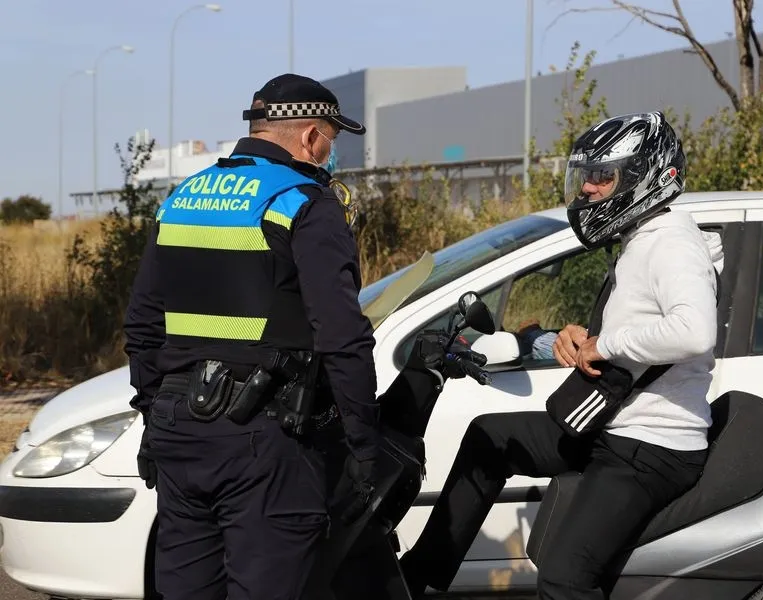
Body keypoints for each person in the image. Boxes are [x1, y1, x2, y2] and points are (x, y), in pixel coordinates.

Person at [398, 112, 724, 600]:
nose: (588, 188)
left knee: (564, 578)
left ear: (646, 176)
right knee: (491, 439)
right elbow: (641, 327)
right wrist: (578, 337)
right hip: (614, 428)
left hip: (651, 447)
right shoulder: (643, 237)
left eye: (603, 176)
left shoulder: (671, 242)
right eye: (586, 176)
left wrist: (605, 345)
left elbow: (694, 332)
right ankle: (413, 580)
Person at [122, 73, 380, 600]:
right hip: (264, 441)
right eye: (332, 138)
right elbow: (341, 334)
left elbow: (143, 323)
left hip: (178, 433)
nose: (331, 152)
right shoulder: (302, 201)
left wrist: (154, 414)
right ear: (311, 136)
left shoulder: (182, 198)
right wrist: (363, 443)